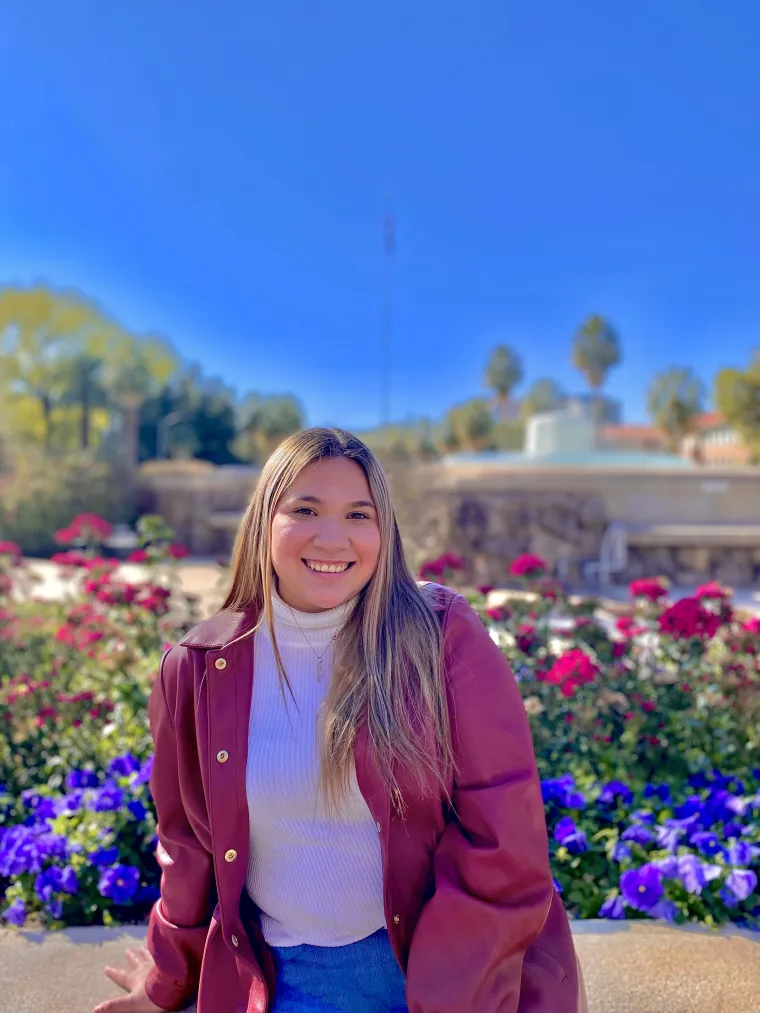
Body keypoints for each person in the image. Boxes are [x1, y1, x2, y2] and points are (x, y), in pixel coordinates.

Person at [94, 427, 586, 1013]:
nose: (333, 538)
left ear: (384, 530)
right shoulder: (196, 667)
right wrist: (168, 977)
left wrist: (452, 997)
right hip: (287, 979)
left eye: (359, 514)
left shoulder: (440, 634)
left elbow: (502, 838)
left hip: (443, 973)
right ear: (264, 521)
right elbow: (186, 845)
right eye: (305, 510)